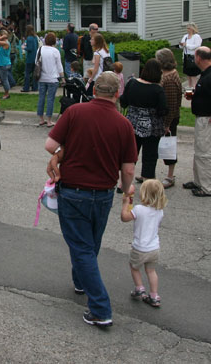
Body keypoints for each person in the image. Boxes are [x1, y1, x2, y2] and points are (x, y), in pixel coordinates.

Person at [45, 71, 138, 327]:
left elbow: (50, 144)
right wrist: (126, 191)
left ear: (94, 91)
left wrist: (64, 151)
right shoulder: (123, 124)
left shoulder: (75, 112)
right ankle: (80, 281)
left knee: (83, 246)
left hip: (73, 191)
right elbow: (128, 169)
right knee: (90, 244)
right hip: (104, 193)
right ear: (117, 94)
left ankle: (100, 308)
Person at [183, 47, 211, 197]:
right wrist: (194, 96)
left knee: (205, 154)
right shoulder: (207, 73)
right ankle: (199, 181)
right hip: (201, 119)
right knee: (199, 151)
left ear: (198, 58)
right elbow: (208, 94)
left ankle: (209, 188)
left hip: (207, 120)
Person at [120, 179, 167, 308]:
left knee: (134, 267)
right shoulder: (160, 211)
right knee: (151, 271)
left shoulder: (139, 209)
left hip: (140, 247)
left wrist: (125, 203)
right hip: (154, 248)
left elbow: (125, 217)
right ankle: (154, 295)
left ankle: (139, 288)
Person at [120, 59, 167, 182]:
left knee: (130, 154)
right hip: (151, 126)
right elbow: (163, 109)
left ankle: (124, 182)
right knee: (150, 155)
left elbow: (124, 102)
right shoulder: (158, 89)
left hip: (132, 123)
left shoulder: (132, 83)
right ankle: (147, 179)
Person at [155, 49, 182, 188]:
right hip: (164, 118)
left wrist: (167, 124)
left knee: (168, 147)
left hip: (168, 119)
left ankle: (170, 177)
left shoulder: (170, 79)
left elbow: (172, 105)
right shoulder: (166, 74)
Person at [36, 32, 64, 127]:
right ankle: (49, 120)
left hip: (41, 78)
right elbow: (59, 66)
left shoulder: (40, 49)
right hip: (52, 78)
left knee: (41, 98)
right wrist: (63, 78)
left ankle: (41, 119)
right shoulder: (55, 51)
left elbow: (36, 62)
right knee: (50, 99)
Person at [179, 22, 202, 88]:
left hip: (193, 57)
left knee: (193, 73)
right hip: (186, 56)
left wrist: (186, 45)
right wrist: (181, 45)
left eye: (189, 28)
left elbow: (196, 46)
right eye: (187, 28)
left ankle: (194, 87)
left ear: (192, 29)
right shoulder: (185, 36)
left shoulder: (197, 37)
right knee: (187, 73)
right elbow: (182, 46)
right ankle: (189, 86)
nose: (188, 29)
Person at [0, 30, 15, 100]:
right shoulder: (5, 43)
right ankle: (6, 92)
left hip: (4, 64)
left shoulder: (5, 43)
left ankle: (7, 94)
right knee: (5, 79)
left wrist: (2, 36)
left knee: (4, 80)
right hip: (5, 63)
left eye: (0, 35)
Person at [22, 25, 39, 92]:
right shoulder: (35, 37)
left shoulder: (29, 38)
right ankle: (35, 87)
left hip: (30, 58)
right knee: (34, 74)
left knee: (27, 74)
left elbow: (30, 48)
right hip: (35, 58)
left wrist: (24, 48)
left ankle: (26, 88)